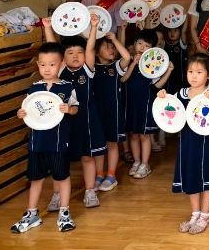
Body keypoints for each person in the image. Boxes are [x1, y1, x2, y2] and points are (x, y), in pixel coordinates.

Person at [11, 43, 79, 233]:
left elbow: (76, 108)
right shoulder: (34, 88)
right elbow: (28, 110)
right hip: (37, 143)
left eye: (52, 64)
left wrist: (69, 109)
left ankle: (64, 213)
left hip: (58, 143)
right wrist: (21, 113)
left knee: (62, 177)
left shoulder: (67, 87)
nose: (47, 69)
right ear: (38, 65)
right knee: (36, 178)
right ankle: (32, 214)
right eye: (42, 65)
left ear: (61, 64)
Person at [42, 17, 106, 209]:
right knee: (61, 160)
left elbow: (91, 48)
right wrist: (48, 28)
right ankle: (57, 195)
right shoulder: (60, 70)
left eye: (80, 52)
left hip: (86, 120)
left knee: (87, 157)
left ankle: (90, 191)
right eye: (70, 53)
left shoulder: (87, 70)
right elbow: (53, 48)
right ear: (62, 58)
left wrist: (94, 26)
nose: (76, 56)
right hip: (64, 122)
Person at [156, 53, 209, 234]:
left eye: (199, 72)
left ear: (208, 75)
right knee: (191, 176)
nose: (194, 76)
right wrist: (163, 96)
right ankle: (195, 214)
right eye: (190, 71)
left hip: (207, 143)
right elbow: (169, 108)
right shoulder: (181, 94)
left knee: (207, 179)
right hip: (187, 143)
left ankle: (205, 215)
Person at [121, 29, 174, 179]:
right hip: (130, 104)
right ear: (134, 44)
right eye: (140, 43)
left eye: (147, 46)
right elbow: (123, 79)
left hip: (144, 104)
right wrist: (133, 63)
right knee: (133, 135)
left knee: (144, 135)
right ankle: (136, 162)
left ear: (152, 49)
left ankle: (145, 164)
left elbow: (157, 85)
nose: (142, 48)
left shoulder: (152, 64)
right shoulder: (127, 60)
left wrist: (168, 71)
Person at [87, 26, 131, 192]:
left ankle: (111, 175)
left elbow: (127, 56)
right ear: (97, 52)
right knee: (100, 146)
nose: (111, 50)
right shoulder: (91, 68)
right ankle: (99, 175)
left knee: (112, 144)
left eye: (113, 47)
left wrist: (114, 39)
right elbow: (89, 50)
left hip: (114, 113)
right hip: (97, 114)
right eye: (107, 47)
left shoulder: (116, 67)